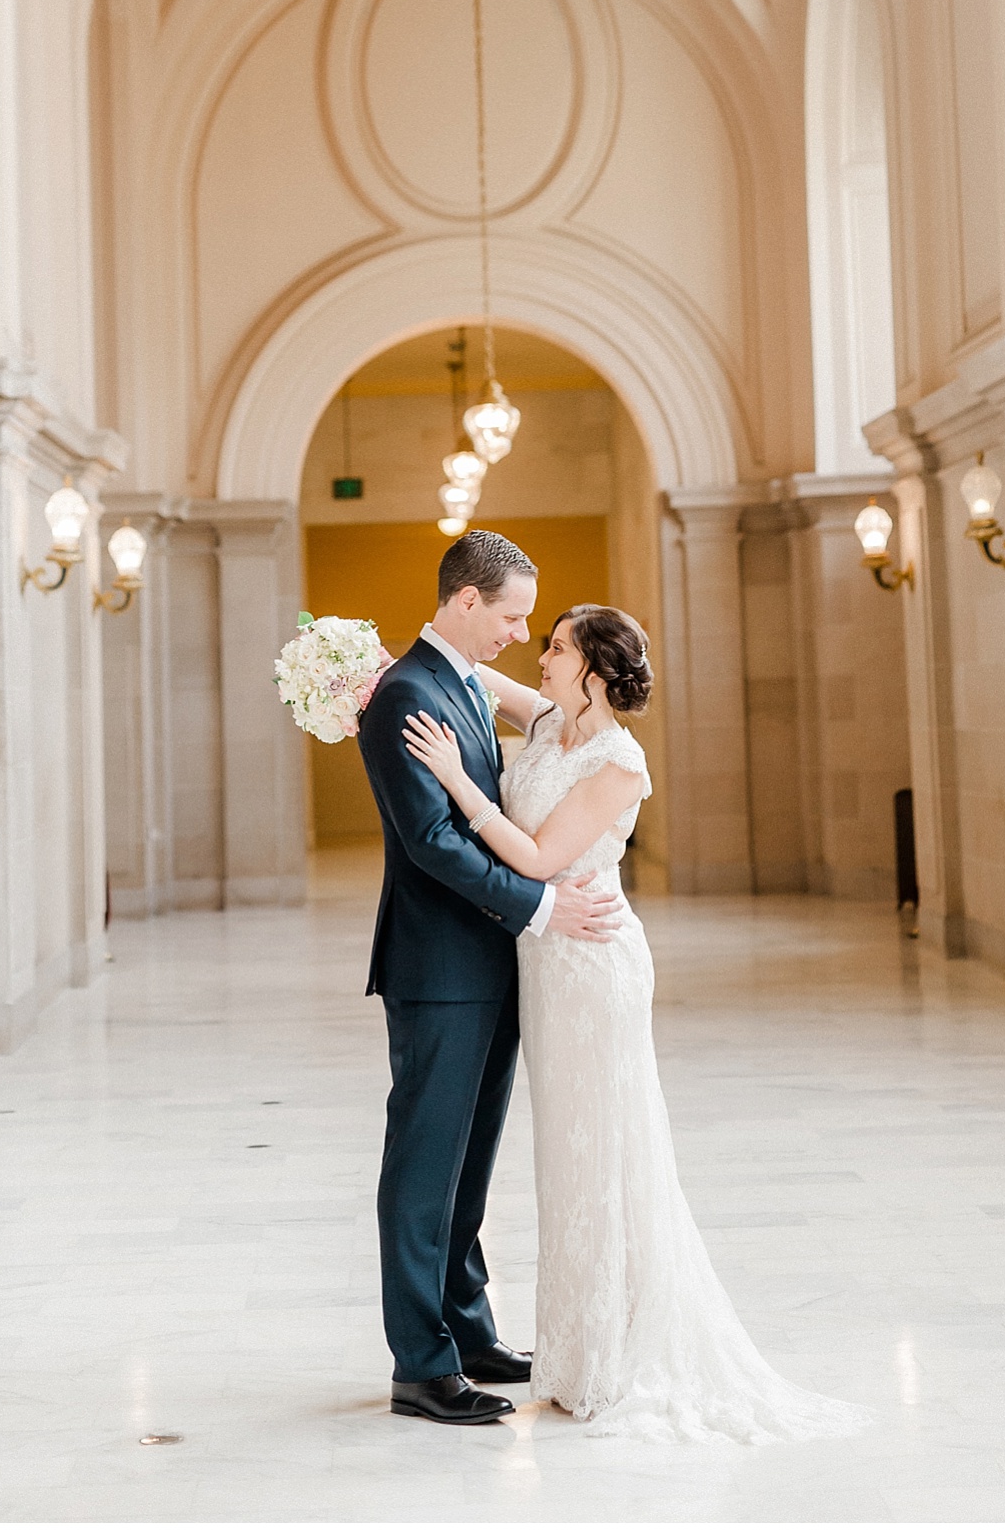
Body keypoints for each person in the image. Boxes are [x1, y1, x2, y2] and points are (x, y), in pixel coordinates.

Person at [402, 602, 873, 1444]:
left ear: (591, 670)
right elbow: (468, 668)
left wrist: (457, 780)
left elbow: (541, 858)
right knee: (567, 1151)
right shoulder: (548, 717)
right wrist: (359, 668)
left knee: (603, 1146)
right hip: (546, 965)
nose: (538, 654)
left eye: (554, 646)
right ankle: (580, 1347)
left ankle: (612, 1355)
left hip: (592, 964)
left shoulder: (620, 762)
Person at [356, 530, 623, 1426]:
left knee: (471, 1165)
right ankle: (421, 1365)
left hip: (495, 963)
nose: (520, 632)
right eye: (512, 615)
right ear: (467, 602)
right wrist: (542, 910)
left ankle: (468, 1331)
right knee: (425, 1166)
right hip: (440, 968)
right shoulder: (405, 695)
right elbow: (432, 844)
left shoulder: (463, 683)